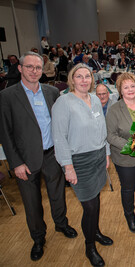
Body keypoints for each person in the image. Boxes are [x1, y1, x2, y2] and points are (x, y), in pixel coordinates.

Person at [0, 51, 77, 262]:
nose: (34, 71)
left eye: (37, 67)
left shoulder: (51, 92)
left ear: (42, 70)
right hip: (25, 160)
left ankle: (61, 224)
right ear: (20, 69)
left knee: (57, 195)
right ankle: (38, 238)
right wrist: (15, 163)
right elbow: (5, 133)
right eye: (29, 67)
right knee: (32, 203)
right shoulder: (7, 96)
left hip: (52, 154)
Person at [52, 64, 113, 266]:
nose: (84, 80)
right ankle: (90, 247)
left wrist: (106, 153)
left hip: (97, 157)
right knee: (90, 205)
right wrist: (68, 167)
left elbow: (101, 129)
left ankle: (95, 232)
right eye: (79, 76)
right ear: (72, 79)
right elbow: (59, 137)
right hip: (78, 161)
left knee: (95, 199)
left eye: (87, 76)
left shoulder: (95, 99)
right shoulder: (63, 103)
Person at [106, 72, 135, 235]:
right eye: (126, 87)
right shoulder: (114, 110)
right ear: (120, 90)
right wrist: (132, 146)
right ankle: (130, 217)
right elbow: (110, 135)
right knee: (128, 189)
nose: (130, 89)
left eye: (132, 86)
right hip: (125, 157)